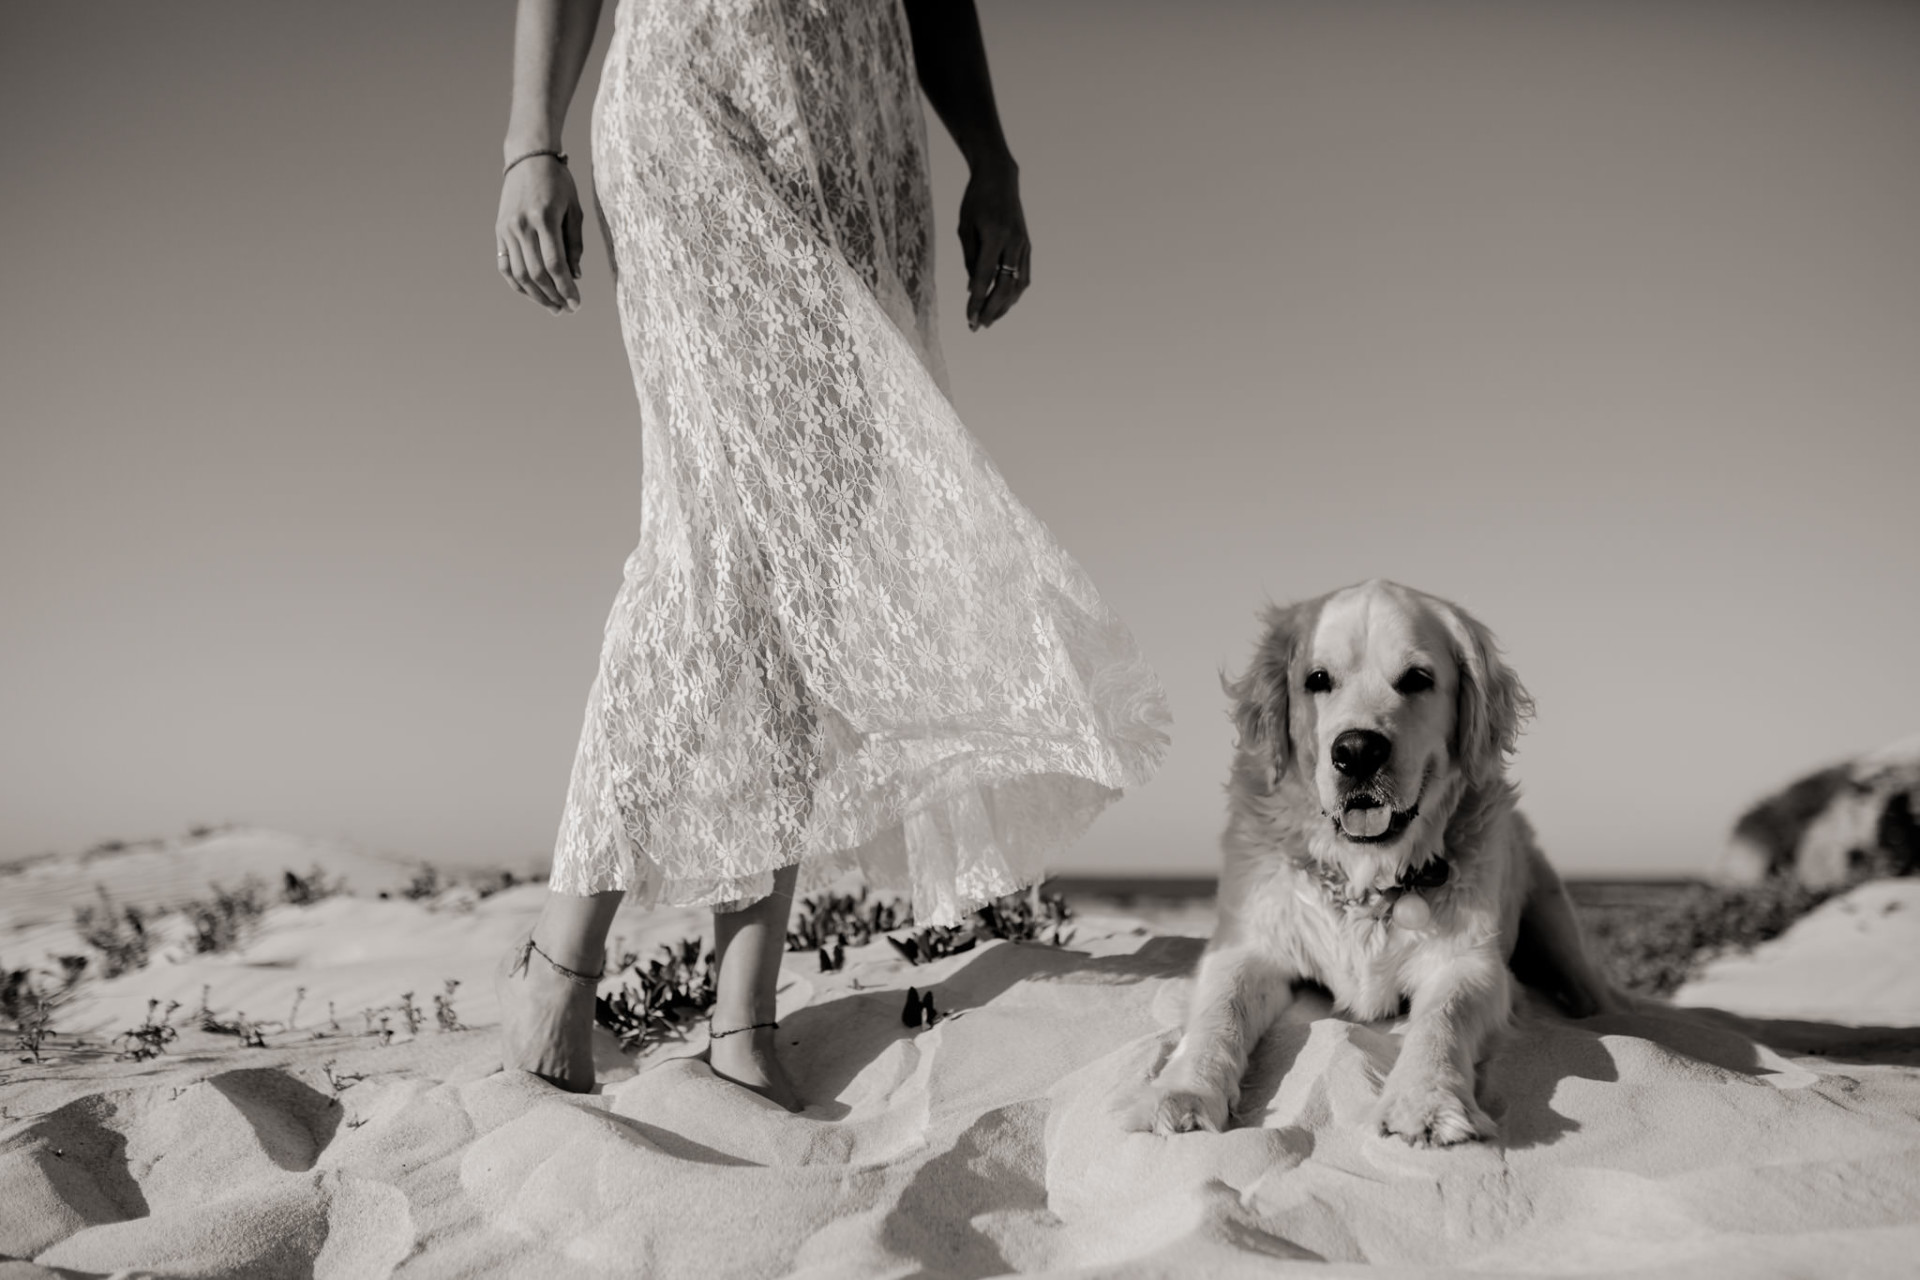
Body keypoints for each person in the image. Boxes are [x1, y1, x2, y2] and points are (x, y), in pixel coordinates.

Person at [493, 0, 1170, 1109]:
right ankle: (562, 959)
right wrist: (532, 139)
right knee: (712, 537)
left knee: (815, 565)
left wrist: (990, 159)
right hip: (697, 101)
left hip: (860, 141)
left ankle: (740, 1010)